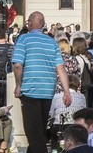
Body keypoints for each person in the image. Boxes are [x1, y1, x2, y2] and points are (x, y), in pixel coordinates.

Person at [12, 11, 71, 153]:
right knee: (39, 131)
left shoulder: (23, 39)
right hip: (47, 92)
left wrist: (18, 85)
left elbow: (18, 65)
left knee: (34, 135)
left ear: (30, 23)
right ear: (43, 25)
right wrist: (66, 91)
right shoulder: (52, 42)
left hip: (30, 90)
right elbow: (61, 68)